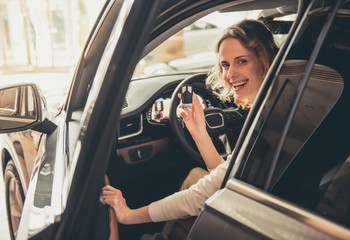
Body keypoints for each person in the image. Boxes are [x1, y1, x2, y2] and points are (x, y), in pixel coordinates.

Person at [102, 18, 279, 232]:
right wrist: (198, 131)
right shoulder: (276, 104)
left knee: (194, 189)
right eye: (225, 64)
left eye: (242, 61)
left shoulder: (271, 118)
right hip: (261, 205)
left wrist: (129, 215)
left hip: (261, 221)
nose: (230, 74)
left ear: (265, 60)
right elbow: (227, 176)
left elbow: (201, 195)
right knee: (195, 175)